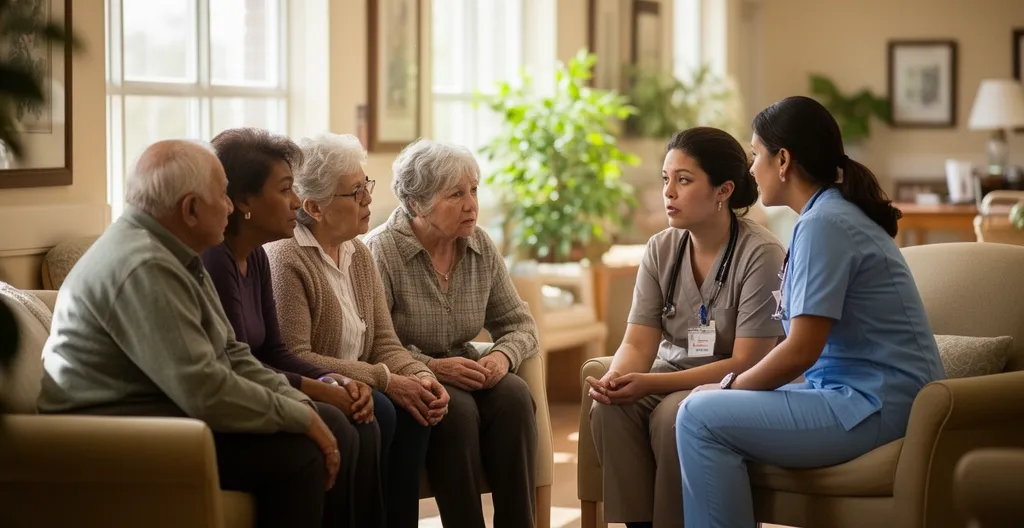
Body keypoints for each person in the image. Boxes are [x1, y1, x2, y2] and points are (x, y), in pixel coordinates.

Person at [37, 139, 344, 528]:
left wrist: (294, 402)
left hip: (161, 412)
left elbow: (231, 354)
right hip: (108, 434)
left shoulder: (175, 253)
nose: (231, 206)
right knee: (298, 457)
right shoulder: (145, 265)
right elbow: (203, 388)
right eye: (223, 195)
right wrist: (297, 416)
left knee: (311, 433)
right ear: (191, 209)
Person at [675, 96, 945, 528]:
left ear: (783, 160)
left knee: (698, 416)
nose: (750, 169)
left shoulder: (825, 224)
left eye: (754, 155)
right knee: (704, 408)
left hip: (875, 405)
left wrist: (731, 386)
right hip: (854, 395)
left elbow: (801, 350)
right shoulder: (826, 216)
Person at [584, 127, 786, 528]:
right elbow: (637, 342)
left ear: (723, 191)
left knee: (670, 417)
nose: (668, 192)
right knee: (609, 410)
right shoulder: (661, 248)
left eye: (684, 180)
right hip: (668, 374)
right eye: (665, 179)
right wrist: (617, 379)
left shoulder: (761, 254)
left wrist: (648, 384)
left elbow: (746, 362)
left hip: (729, 386)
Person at [199, 128, 384, 527]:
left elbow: (277, 353)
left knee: (359, 416)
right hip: (227, 408)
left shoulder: (256, 257)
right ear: (243, 201)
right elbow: (237, 364)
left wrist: (336, 380)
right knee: (340, 421)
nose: (296, 202)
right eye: (285, 190)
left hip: (258, 387)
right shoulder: (217, 260)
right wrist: (325, 390)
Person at [264, 132, 449, 528]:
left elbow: (384, 341)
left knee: (419, 407)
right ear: (314, 207)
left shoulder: (357, 251)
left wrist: (419, 374)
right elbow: (295, 356)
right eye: (355, 192)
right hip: (319, 385)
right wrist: (384, 380)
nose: (368, 199)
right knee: (384, 405)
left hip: (362, 384)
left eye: (365, 185)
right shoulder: (285, 258)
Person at [365, 138, 539, 528]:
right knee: (453, 410)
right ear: (416, 204)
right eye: (456, 194)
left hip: (470, 367)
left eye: (474, 190)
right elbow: (371, 344)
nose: (471, 204)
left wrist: (501, 357)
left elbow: (519, 324)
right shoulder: (380, 252)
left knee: (514, 394)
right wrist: (434, 368)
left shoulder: (480, 244)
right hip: (413, 375)